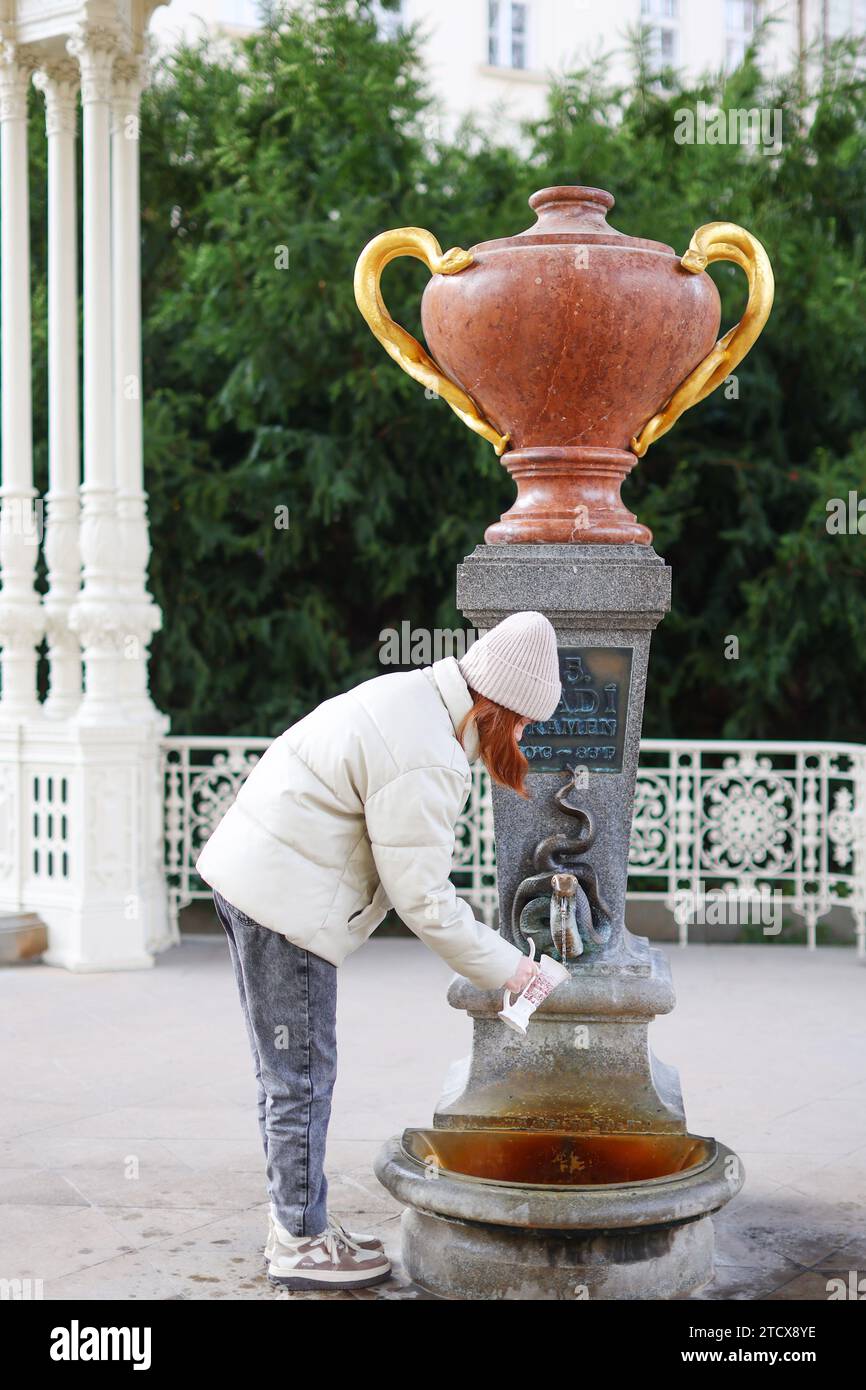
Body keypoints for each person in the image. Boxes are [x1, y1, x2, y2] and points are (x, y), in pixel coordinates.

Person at [196, 610, 561, 1290]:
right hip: (283, 901)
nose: (523, 738)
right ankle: (299, 1243)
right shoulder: (424, 751)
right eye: (523, 723)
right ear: (496, 706)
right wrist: (520, 974)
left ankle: (297, 1221)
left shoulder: (418, 697)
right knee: (299, 1076)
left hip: (259, 877)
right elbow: (425, 901)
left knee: (291, 1072)